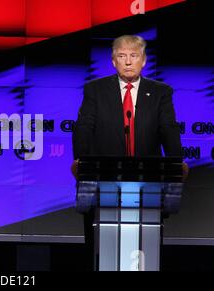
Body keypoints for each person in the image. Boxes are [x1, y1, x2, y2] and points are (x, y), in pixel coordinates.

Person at [71, 35, 188, 270]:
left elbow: (168, 129)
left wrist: (177, 163)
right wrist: (81, 162)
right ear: (113, 61)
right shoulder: (95, 89)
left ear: (143, 61)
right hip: (102, 181)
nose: (127, 62)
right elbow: (84, 127)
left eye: (133, 56)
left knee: (145, 247)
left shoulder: (160, 92)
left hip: (148, 184)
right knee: (101, 251)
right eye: (122, 56)